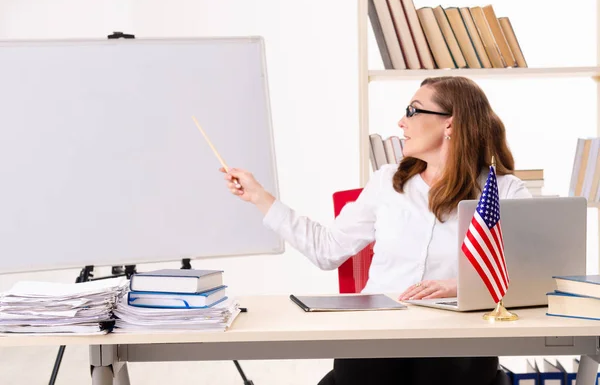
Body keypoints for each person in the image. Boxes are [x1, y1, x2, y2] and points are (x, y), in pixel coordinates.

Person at [220, 76, 531, 385]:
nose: (401, 122)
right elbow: (327, 250)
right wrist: (259, 196)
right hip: (379, 337)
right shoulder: (387, 182)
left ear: (449, 124)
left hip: (458, 339)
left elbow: (530, 272)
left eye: (413, 111)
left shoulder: (502, 191)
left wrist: (459, 286)